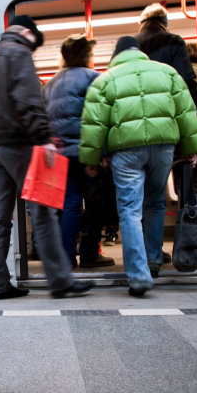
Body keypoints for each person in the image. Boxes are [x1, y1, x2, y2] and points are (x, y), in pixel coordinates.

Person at [0, 15, 95, 300]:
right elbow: (29, 100)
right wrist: (43, 138)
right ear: (28, 33)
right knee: (43, 211)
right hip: (20, 145)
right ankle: (61, 281)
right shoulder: (19, 53)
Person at [79, 36, 197, 297]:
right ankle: (154, 260)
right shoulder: (167, 73)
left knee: (129, 210)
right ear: (140, 52)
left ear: (116, 54)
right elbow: (186, 112)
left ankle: (138, 276)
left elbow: (94, 124)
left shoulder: (106, 80)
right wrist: (191, 149)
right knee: (156, 203)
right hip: (163, 147)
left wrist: (93, 159)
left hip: (126, 151)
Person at [43, 34, 114, 269]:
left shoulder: (50, 85)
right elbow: (99, 119)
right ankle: (90, 254)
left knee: (70, 204)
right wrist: (103, 153)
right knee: (94, 205)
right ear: (87, 56)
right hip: (87, 154)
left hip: (61, 155)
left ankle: (66, 257)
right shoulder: (94, 79)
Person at [135, 3, 197, 119]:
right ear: (164, 23)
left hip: (136, 114)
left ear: (142, 23)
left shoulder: (130, 45)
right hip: (167, 113)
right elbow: (186, 81)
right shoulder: (173, 41)